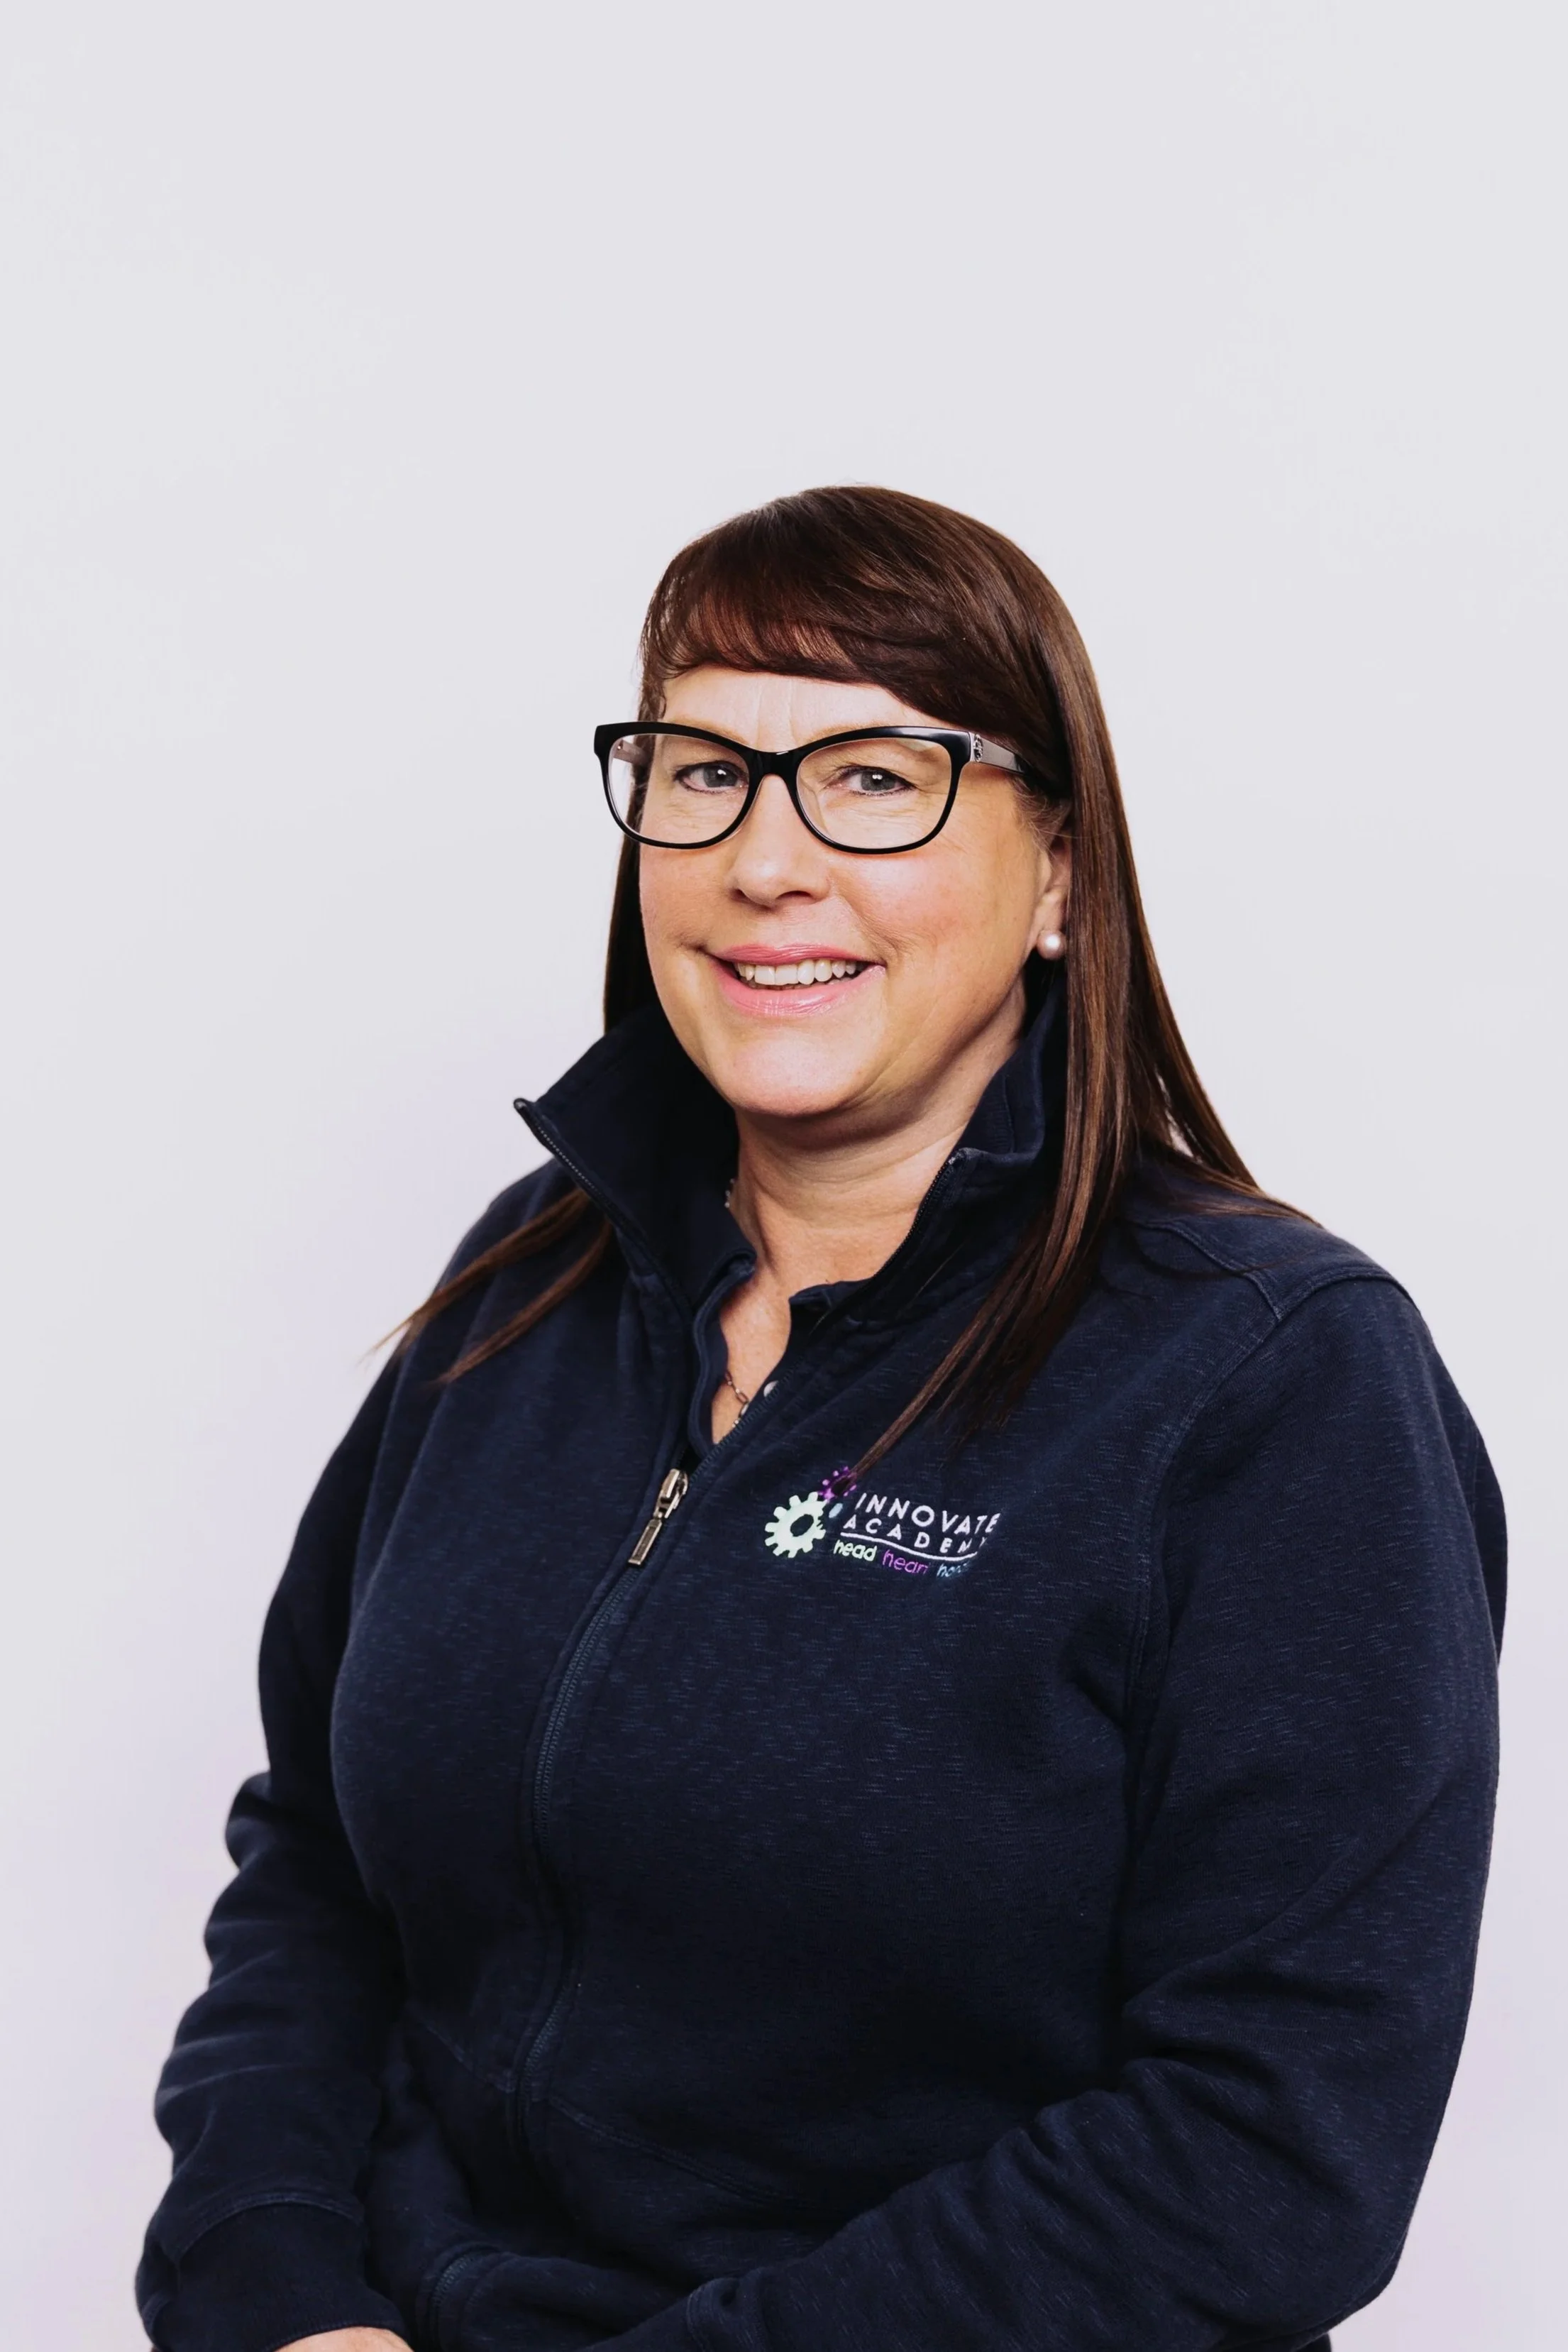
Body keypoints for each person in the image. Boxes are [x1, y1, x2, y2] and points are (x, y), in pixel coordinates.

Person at [138, 487, 1504, 2352]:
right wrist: (278, 2290)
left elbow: (1266, 2149)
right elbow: (316, 1857)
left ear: (1060, 876)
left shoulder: (1274, 1378)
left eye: (875, 778)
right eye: (703, 773)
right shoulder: (523, 1289)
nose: (766, 859)